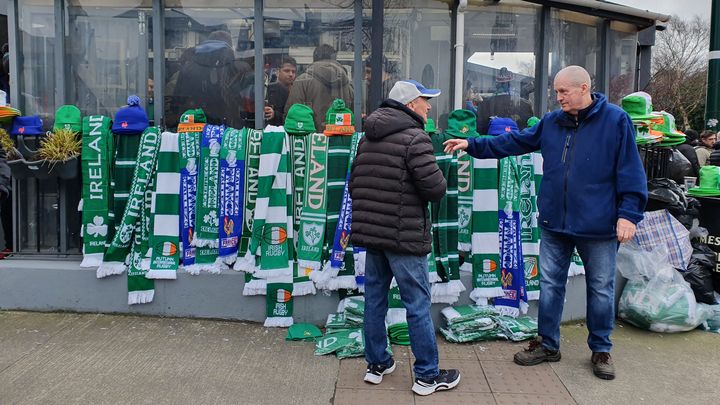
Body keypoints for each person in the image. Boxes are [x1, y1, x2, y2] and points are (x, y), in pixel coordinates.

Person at [444, 66, 648, 381]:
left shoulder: (616, 121)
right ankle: (548, 344)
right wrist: (472, 145)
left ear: (584, 88)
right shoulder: (552, 122)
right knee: (550, 285)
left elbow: (631, 170)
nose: (558, 97)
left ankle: (601, 349)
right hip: (555, 223)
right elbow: (514, 144)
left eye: (563, 91)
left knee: (601, 290)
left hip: (599, 226)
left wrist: (629, 214)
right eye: (556, 91)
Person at [349, 79, 460, 396]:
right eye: (425, 100)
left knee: (374, 300)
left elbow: (355, 184)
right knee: (417, 304)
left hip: (373, 235)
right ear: (411, 105)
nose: (429, 106)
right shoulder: (416, 138)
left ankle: (377, 363)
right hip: (405, 237)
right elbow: (435, 189)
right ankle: (427, 375)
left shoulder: (367, 138)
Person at [285, 44, 353, 131]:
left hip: (310, 140)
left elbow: (292, 114)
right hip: (341, 138)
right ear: (334, 58)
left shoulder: (302, 81)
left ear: (314, 59)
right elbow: (355, 114)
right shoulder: (347, 84)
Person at [476, 66, 534, 134]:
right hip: (515, 141)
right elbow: (528, 131)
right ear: (511, 84)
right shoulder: (524, 105)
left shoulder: (484, 104)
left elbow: (480, 129)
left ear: (496, 84)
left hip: (492, 141)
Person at [267, 56, 297, 126]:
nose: (291, 74)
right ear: (277, 71)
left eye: (293, 72)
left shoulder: (297, 91)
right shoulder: (269, 90)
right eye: (287, 71)